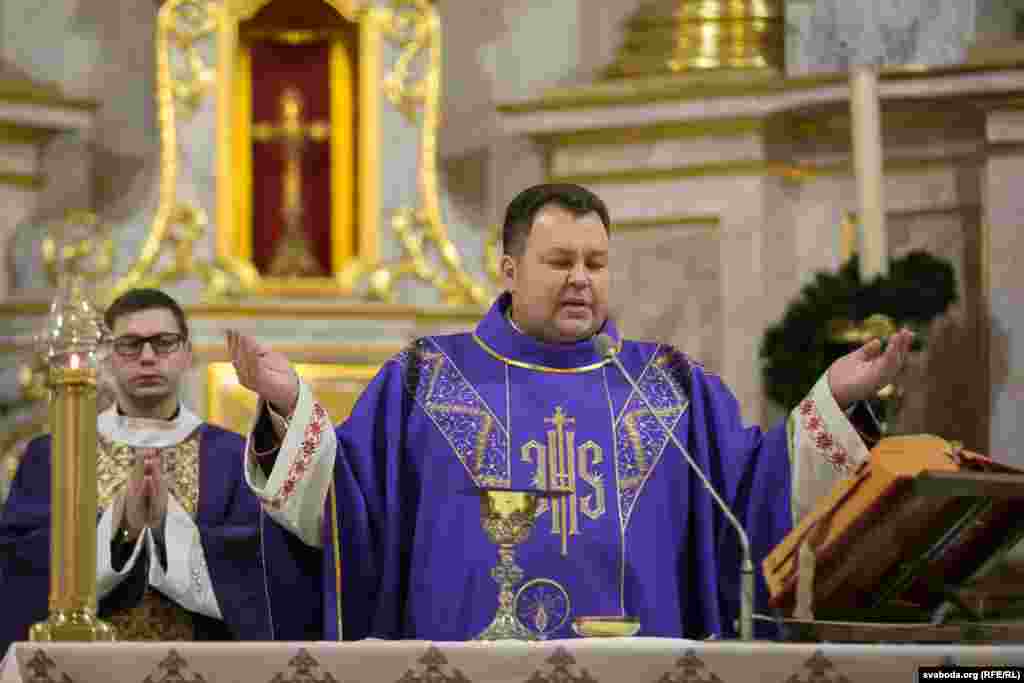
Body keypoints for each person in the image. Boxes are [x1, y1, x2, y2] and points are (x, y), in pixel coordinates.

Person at [229, 183, 913, 640]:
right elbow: (348, 506)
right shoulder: (424, 380)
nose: (582, 278)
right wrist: (290, 406)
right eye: (559, 261)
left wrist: (835, 401)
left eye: (596, 262)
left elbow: (755, 495)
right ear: (509, 270)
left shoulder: (668, 385)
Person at [0, 288, 322, 652]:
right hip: (80, 667)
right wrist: (122, 527)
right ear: (106, 356)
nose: (148, 357)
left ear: (187, 354)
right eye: (130, 345)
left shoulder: (233, 458)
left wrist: (166, 527)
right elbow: (18, 570)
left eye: (164, 343)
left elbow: (264, 570)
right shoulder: (55, 455)